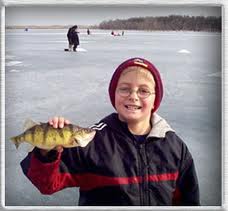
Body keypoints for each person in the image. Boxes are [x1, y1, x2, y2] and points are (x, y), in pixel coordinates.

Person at [20, 57, 200, 206]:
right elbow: (46, 184)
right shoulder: (92, 141)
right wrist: (47, 152)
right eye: (124, 89)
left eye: (144, 91)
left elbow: (188, 201)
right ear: (114, 94)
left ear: (155, 100)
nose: (133, 95)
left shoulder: (175, 148)